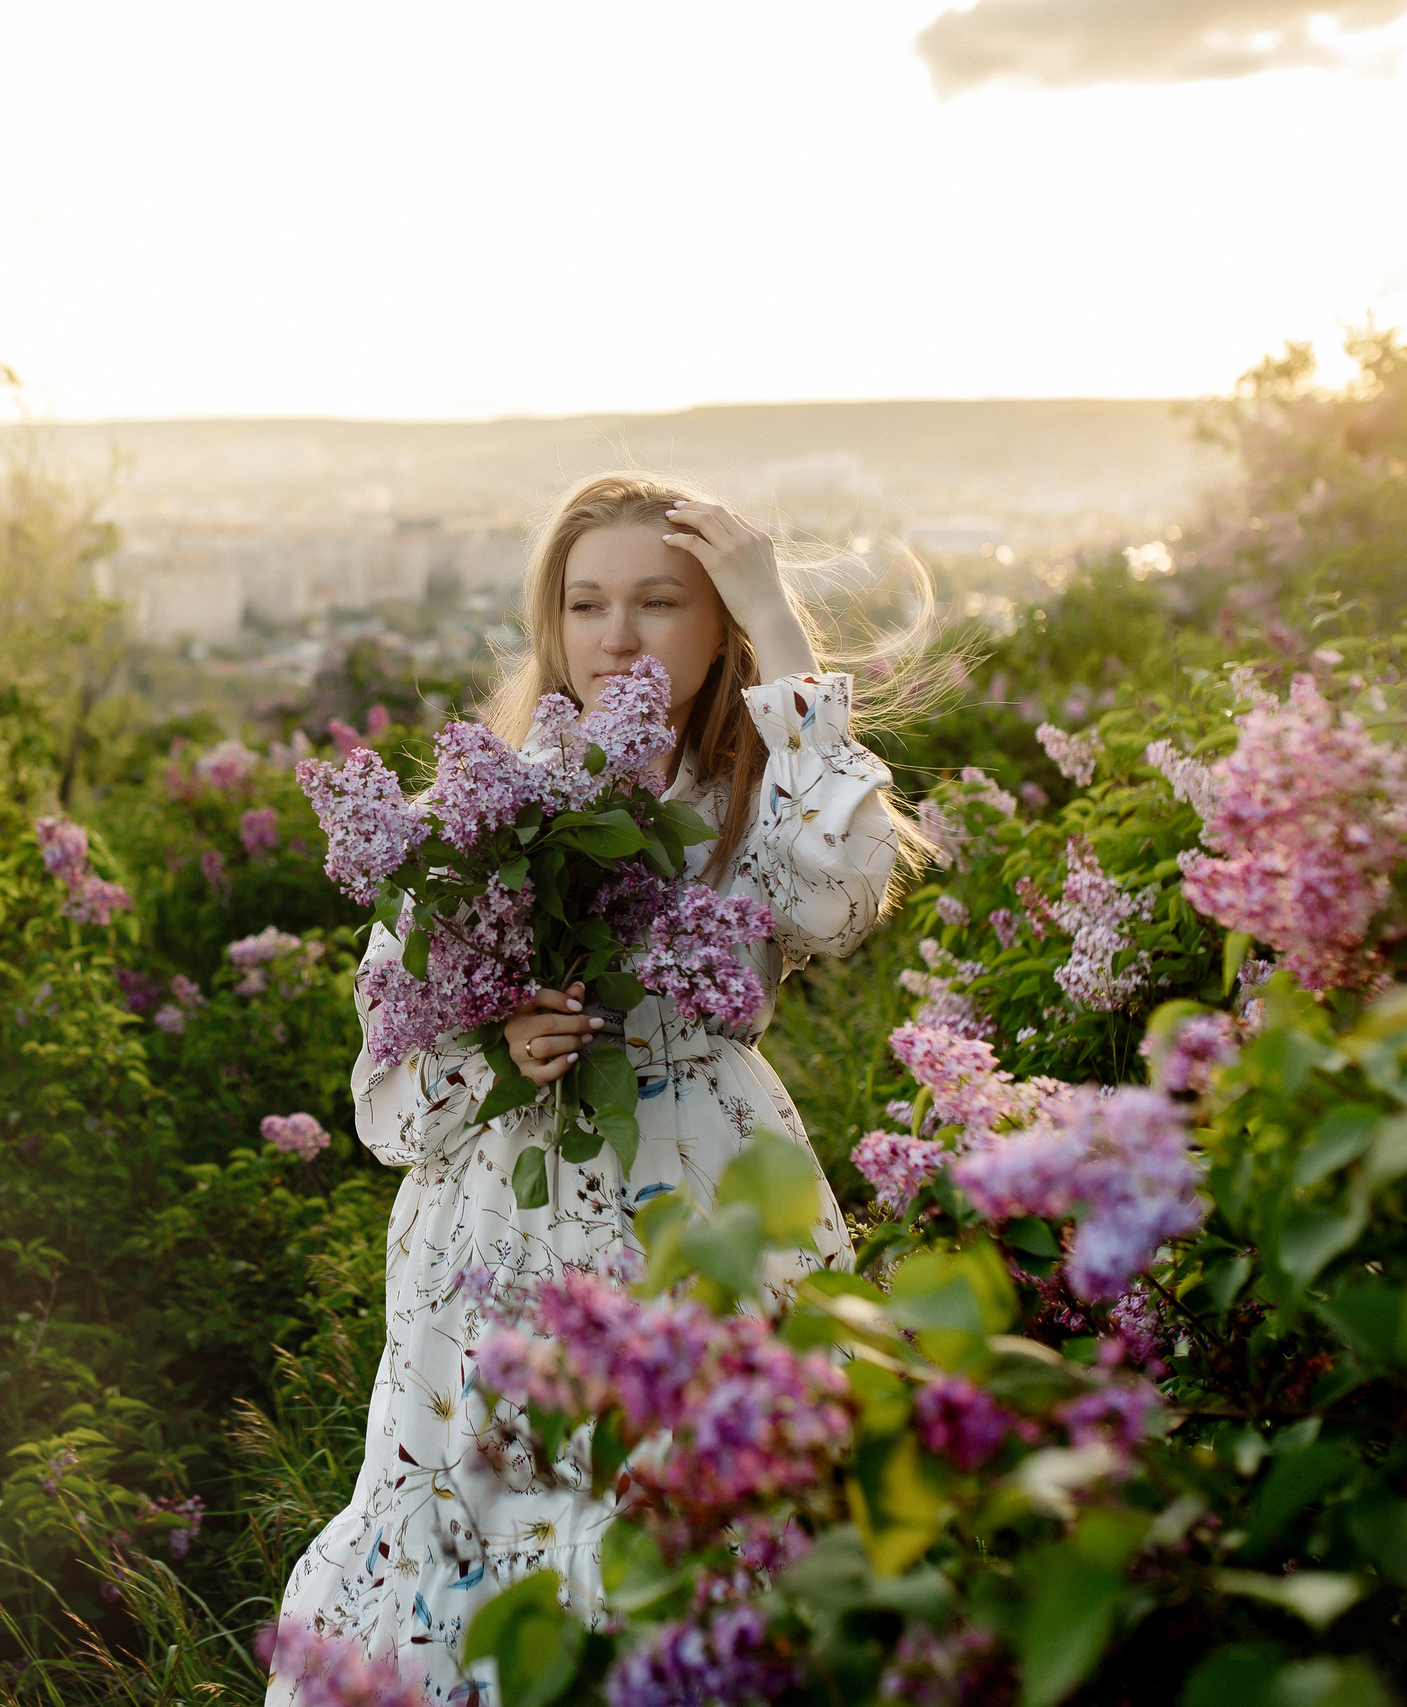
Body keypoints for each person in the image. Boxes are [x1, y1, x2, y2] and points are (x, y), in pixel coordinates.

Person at [271, 473, 929, 1703]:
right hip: (495, 1237)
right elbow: (386, 1098)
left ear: (718, 626)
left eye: (660, 602)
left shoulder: (747, 806)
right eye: (585, 605)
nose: (617, 636)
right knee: (484, 1536)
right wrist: (492, 1051)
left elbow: (840, 897)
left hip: (704, 1204)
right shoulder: (471, 813)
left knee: (707, 1531)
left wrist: (778, 616)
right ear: (551, 627)